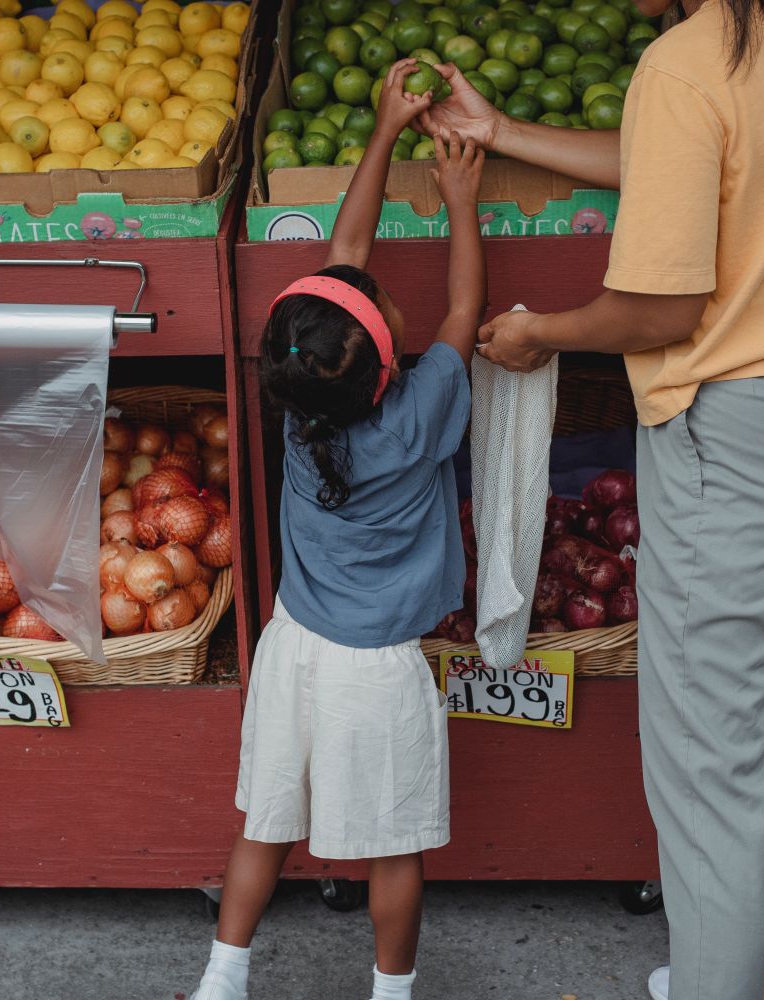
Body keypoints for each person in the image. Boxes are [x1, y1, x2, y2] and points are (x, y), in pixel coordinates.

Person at [420, 2, 764, 999]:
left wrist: (541, 331)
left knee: (710, 780)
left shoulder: (682, 64)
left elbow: (660, 310)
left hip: (740, 445)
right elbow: (687, 166)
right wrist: (500, 132)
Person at [190, 60, 487, 1000]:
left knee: (264, 824)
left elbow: (343, 250)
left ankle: (222, 978)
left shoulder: (296, 407)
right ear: (386, 356)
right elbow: (467, 312)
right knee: (392, 849)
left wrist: (382, 130)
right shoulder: (421, 408)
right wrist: (459, 201)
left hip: (294, 649)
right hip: (378, 673)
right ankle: (391, 995)